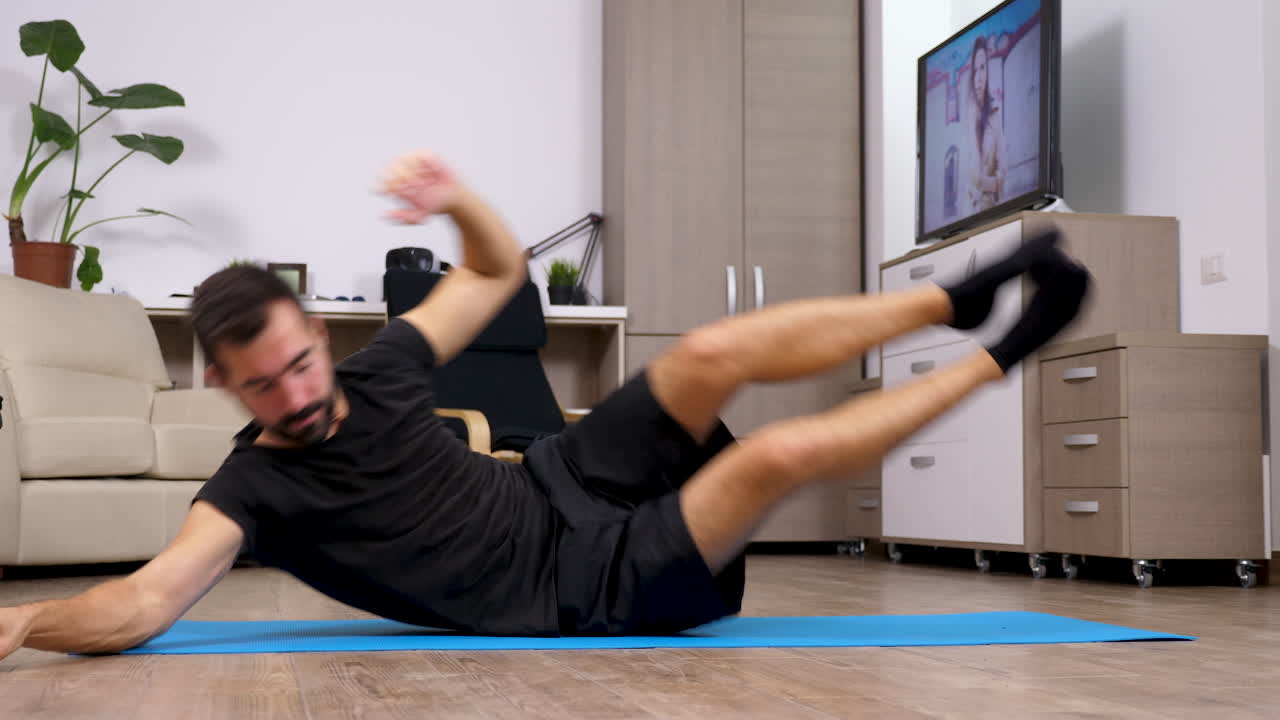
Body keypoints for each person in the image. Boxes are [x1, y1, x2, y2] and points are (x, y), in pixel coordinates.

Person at [0, 151, 1090, 659]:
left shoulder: (373, 369)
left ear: (310, 336)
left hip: (567, 482)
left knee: (703, 354)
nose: (296, 390)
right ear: (228, 388)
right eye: (266, 383)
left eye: (299, 360)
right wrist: (22, 623)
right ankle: (1002, 353)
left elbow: (491, 276)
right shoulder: (251, 488)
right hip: (585, 589)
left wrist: (457, 198)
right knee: (767, 459)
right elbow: (143, 605)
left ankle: (950, 300)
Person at [967, 35, 1006, 211]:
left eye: (983, 68)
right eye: (975, 70)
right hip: (966, 217)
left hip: (993, 213)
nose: (979, 77)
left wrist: (985, 183)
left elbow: (1003, 170)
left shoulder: (995, 117)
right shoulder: (966, 121)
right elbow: (964, 179)